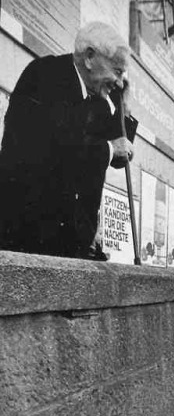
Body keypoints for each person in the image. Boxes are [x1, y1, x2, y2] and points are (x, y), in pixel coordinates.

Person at [0, 21, 137, 260]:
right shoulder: (44, 75)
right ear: (90, 57)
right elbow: (50, 146)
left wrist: (124, 105)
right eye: (117, 71)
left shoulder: (98, 104)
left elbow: (118, 157)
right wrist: (108, 149)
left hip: (73, 246)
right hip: (29, 238)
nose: (119, 81)